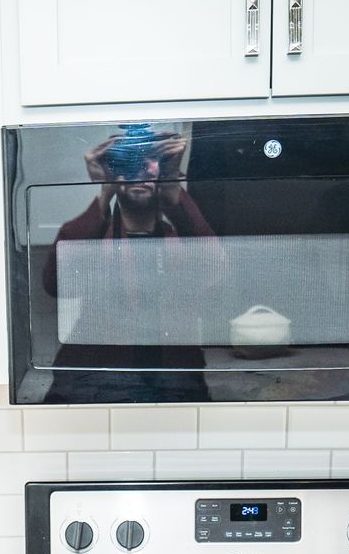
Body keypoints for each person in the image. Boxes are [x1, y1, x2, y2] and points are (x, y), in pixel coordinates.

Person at [40, 128, 226, 397]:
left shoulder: (183, 240)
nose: (140, 169)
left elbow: (218, 274)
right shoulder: (92, 238)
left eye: (151, 159)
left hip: (174, 383)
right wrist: (103, 192)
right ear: (113, 171)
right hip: (94, 382)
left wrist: (172, 186)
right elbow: (54, 283)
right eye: (129, 160)